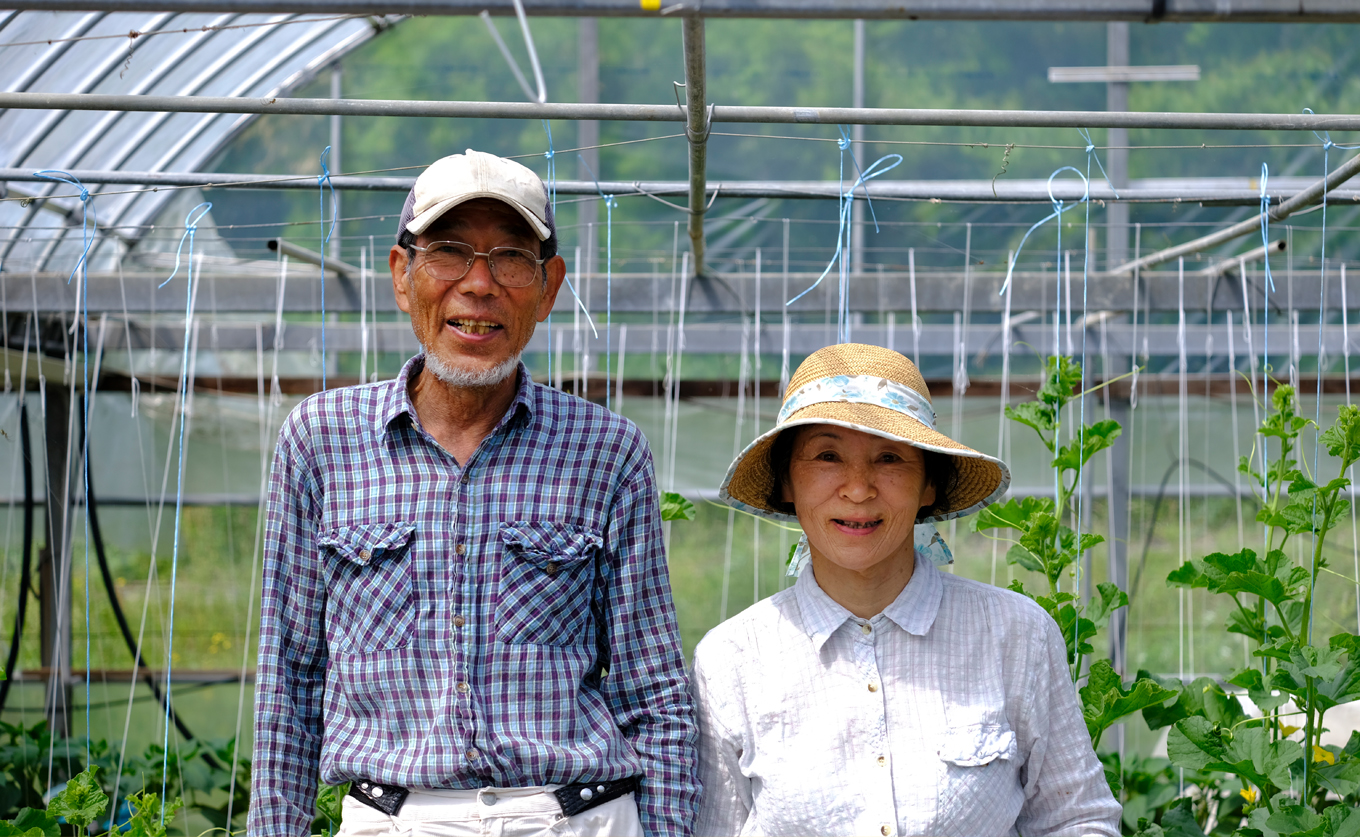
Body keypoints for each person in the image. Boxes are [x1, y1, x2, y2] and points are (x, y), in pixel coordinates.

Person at [249, 149, 699, 837]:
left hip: (573, 816)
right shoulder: (322, 440)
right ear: (402, 276)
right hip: (394, 819)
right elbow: (290, 676)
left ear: (548, 288)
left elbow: (654, 691)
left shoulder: (606, 451)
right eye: (449, 253)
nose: (479, 284)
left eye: (511, 258)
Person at [692, 343, 1122, 837]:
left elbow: (1077, 819)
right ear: (787, 483)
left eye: (889, 458)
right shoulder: (732, 660)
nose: (858, 488)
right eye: (827, 456)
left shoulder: (1015, 635)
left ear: (929, 485)